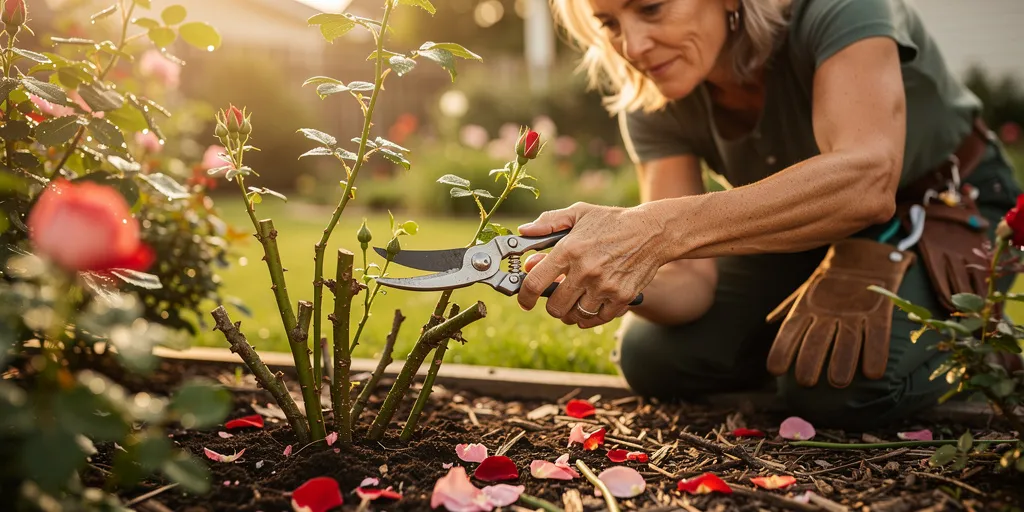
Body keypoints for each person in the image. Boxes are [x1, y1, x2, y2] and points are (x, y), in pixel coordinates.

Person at [515, 0, 1024, 430]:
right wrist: (608, 270)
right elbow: (689, 280)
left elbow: (866, 180)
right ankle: (799, 352)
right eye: (610, 23)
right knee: (654, 359)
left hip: (945, 209)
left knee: (839, 390)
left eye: (651, 7)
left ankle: (974, 333)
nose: (633, 46)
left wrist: (653, 228)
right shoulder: (653, 92)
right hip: (807, 232)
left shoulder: (837, 9)